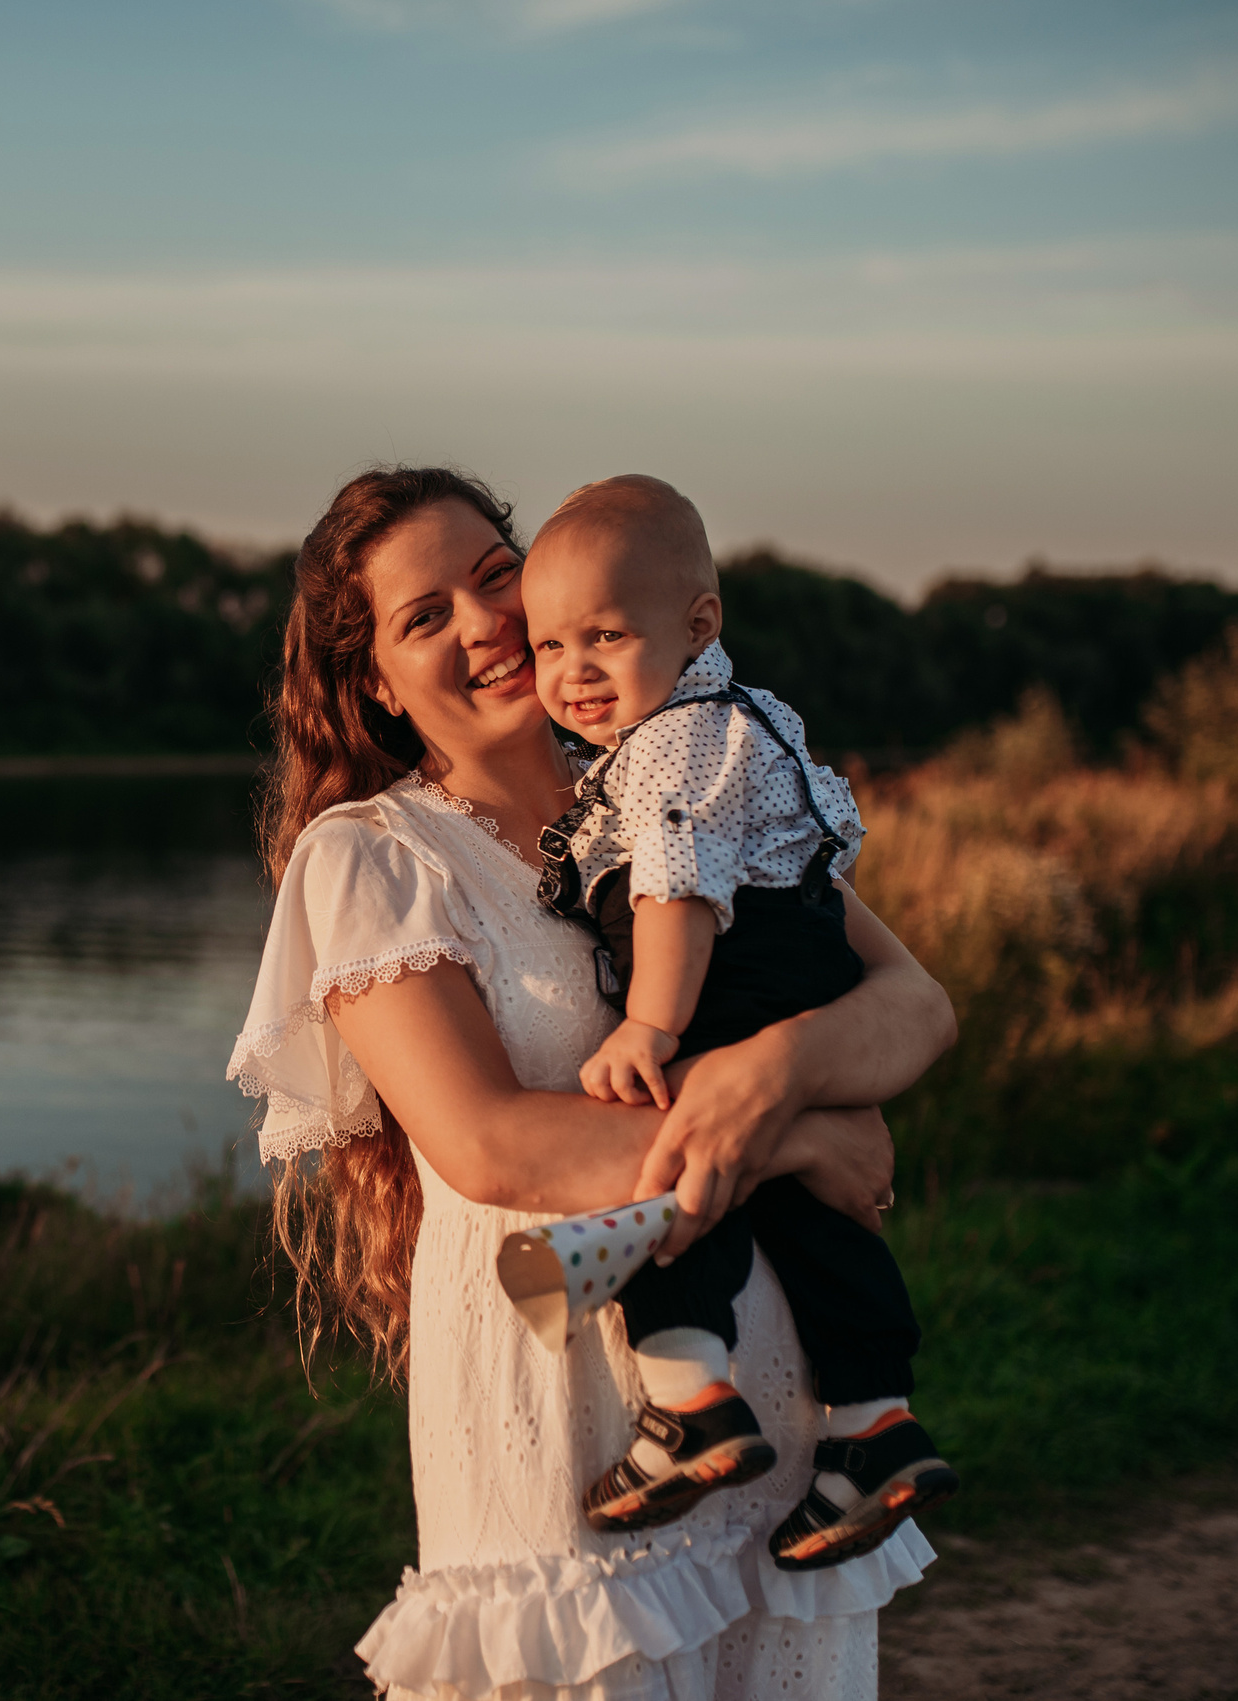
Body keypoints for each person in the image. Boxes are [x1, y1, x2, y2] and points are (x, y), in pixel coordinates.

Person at [228, 466, 956, 1700]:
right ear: (374, 684)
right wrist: (792, 1142)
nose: (483, 623)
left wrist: (774, 1068)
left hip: (777, 1429)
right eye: (424, 616)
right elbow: (489, 1141)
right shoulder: (372, 857)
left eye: (494, 576)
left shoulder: (680, 772)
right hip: (559, 1412)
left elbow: (911, 1004)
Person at [518, 474, 956, 1570]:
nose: (571, 673)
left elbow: (671, 886)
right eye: (548, 646)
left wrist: (654, 1026)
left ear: (697, 622)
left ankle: (690, 1403)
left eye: (605, 637)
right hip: (793, 961)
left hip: (730, 976)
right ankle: (872, 1422)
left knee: (672, 1164)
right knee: (812, 1210)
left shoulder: (670, 743)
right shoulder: (738, 719)